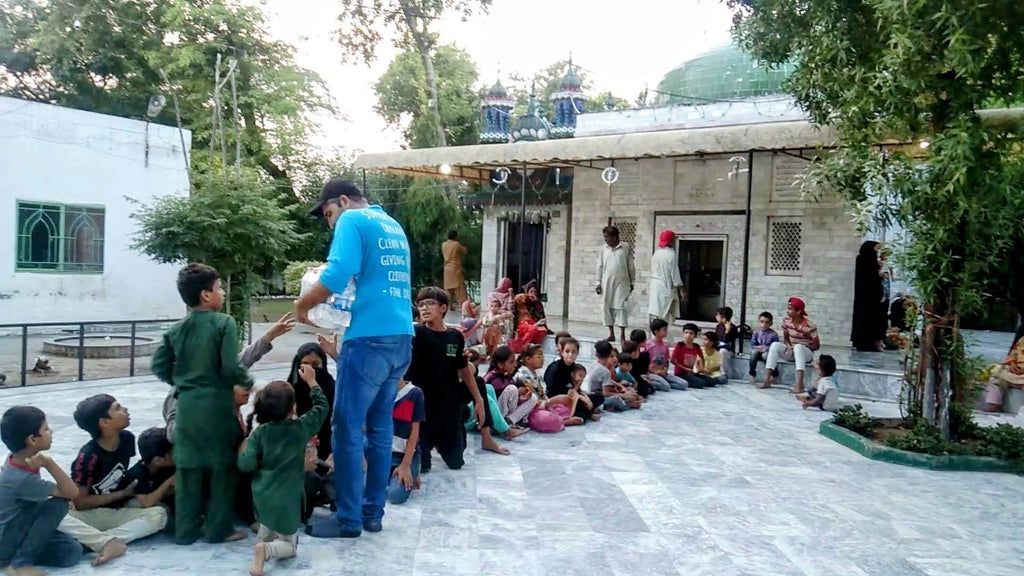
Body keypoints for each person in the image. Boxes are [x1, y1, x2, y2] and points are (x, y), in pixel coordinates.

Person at [296, 178, 414, 539]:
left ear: (344, 201)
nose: (331, 223)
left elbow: (336, 273)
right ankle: (372, 513)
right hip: (401, 339)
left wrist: (303, 305)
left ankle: (348, 519)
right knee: (379, 430)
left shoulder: (352, 221)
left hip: (368, 341)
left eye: (329, 214)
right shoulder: (391, 224)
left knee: (346, 429)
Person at [151, 263, 251, 545]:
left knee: (188, 471)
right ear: (206, 295)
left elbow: (158, 365)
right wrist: (246, 381)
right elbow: (230, 366)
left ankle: (185, 532)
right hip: (217, 406)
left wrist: (184, 381)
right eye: (219, 288)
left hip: (188, 407)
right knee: (222, 470)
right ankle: (219, 530)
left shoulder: (176, 330)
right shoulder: (224, 323)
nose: (222, 293)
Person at [58, 395, 167, 564]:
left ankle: (97, 540)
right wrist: (123, 493)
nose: (125, 409)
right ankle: (104, 541)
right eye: (117, 408)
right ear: (104, 422)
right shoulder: (88, 456)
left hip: (114, 509)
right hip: (90, 514)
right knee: (58, 517)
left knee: (159, 513)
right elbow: (80, 503)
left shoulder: (126, 439)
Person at [238, 375, 329, 576]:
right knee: (290, 546)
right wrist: (313, 382)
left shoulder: (260, 432)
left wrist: (243, 448)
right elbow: (322, 407)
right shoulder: (300, 428)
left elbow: (246, 464)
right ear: (293, 408)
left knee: (268, 525)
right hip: (287, 496)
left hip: (262, 494)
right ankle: (266, 550)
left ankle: (265, 542)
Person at [406, 287, 503, 473]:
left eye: (430, 303)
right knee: (423, 468)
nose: (424, 308)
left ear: (443, 308)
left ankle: (458, 430)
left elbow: (463, 368)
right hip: (423, 407)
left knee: (456, 462)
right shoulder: (416, 334)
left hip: (448, 405)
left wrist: (479, 400)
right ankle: (426, 445)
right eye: (421, 305)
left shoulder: (454, 336)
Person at [0, 406, 83, 574]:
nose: (51, 431)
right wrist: (50, 464)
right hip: (8, 536)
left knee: (72, 551)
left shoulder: (15, 458)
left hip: (15, 528)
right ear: (32, 439)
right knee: (59, 504)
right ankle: (20, 564)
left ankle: (12, 557)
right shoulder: (22, 478)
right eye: (45, 429)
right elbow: (72, 493)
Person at [284, 342, 337, 520]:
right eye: (306, 364)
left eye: (316, 365)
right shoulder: (289, 388)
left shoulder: (330, 384)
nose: (311, 370)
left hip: (327, 444)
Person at [463, 348, 527, 442]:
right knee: (486, 399)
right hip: (465, 417)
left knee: (488, 388)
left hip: (471, 409)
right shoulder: (491, 377)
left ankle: (498, 425)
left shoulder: (506, 376)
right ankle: (506, 431)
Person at [514, 345, 581, 430]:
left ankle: (558, 418)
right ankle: (563, 421)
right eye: (539, 356)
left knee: (564, 409)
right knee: (547, 419)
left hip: (543, 405)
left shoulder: (537, 373)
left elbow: (543, 394)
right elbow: (533, 401)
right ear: (528, 359)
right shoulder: (522, 376)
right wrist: (551, 402)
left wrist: (550, 403)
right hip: (529, 411)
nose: (542, 359)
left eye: (543, 356)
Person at [762, 298, 821, 393]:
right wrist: (789, 347)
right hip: (791, 352)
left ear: (798, 311)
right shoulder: (786, 322)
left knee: (798, 347)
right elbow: (786, 339)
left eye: (790, 309)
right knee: (775, 345)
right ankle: (767, 380)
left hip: (806, 354)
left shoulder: (810, 325)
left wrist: (802, 344)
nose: (787, 311)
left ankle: (800, 385)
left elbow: (817, 346)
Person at [596, 226, 636, 344]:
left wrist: (632, 282)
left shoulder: (625, 248)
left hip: (622, 282)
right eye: (605, 237)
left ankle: (622, 335)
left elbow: (631, 266)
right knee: (606, 306)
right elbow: (599, 266)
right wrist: (598, 282)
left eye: (607, 237)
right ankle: (611, 333)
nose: (606, 239)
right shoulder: (604, 249)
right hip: (607, 282)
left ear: (615, 237)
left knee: (621, 307)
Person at [388, 379, 425, 505]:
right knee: (364, 490)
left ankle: (413, 470)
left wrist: (406, 464)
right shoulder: (380, 391)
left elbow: (414, 433)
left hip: (404, 455)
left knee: (395, 495)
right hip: (382, 456)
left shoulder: (414, 394)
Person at [125, 428, 176, 512]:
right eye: (171, 454)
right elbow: (146, 502)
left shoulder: (164, 468)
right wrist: (169, 482)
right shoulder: (138, 473)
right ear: (158, 460)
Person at [485, 346, 534, 429]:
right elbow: (497, 400)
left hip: (506, 411)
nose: (515, 364)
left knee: (533, 398)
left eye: (515, 361)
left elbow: (510, 401)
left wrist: (521, 398)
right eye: (511, 362)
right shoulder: (492, 377)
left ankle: (510, 420)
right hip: (494, 413)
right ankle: (502, 423)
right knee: (512, 389)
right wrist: (518, 392)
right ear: (500, 365)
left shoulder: (507, 375)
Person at [851, 241, 887, 352]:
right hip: (867, 297)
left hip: (870, 297)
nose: (876, 252)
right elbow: (869, 277)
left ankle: (871, 342)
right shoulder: (864, 259)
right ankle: (866, 344)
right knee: (867, 319)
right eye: (876, 249)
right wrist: (879, 275)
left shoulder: (868, 259)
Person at [584, 341, 638, 411]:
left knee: (628, 391)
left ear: (596, 354)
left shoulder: (595, 364)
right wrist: (623, 395)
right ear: (609, 354)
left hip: (596, 394)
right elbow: (605, 393)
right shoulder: (605, 371)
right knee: (615, 399)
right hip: (598, 397)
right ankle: (628, 405)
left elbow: (609, 381)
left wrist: (620, 387)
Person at [648, 229, 683, 321]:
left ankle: (656, 332)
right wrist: (682, 290)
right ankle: (661, 333)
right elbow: (675, 274)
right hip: (665, 286)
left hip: (655, 286)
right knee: (665, 315)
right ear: (671, 241)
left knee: (657, 313)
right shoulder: (671, 254)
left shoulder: (656, 253)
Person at [982, 335, 1024, 413]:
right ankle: (994, 404)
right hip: (1016, 374)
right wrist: (1012, 364)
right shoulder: (1022, 339)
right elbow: (1012, 356)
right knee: (997, 373)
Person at [646, 319, 688, 391]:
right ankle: (650, 382)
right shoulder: (648, 345)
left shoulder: (665, 345)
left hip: (663, 372)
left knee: (684, 384)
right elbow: (644, 363)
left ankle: (664, 383)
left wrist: (665, 370)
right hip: (651, 373)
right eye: (664, 330)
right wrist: (656, 372)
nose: (667, 332)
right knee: (665, 386)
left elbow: (666, 360)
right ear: (656, 332)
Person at [748, 312, 781, 384]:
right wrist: (758, 348)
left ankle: (773, 374)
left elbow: (775, 346)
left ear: (771, 323)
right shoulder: (756, 332)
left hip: (767, 352)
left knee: (765, 356)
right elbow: (753, 344)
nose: (764, 325)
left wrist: (766, 348)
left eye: (767, 323)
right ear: (758, 322)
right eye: (762, 322)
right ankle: (752, 374)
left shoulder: (773, 334)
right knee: (753, 353)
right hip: (757, 351)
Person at [672, 323, 707, 389]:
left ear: (695, 335)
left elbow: (702, 357)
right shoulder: (680, 345)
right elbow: (672, 360)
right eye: (686, 332)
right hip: (680, 373)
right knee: (701, 383)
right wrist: (685, 368)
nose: (688, 335)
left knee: (710, 381)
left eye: (691, 333)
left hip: (690, 373)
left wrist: (702, 368)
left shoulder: (696, 346)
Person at [441, 230, 469, 306]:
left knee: (448, 288)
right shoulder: (456, 244)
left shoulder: (444, 245)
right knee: (459, 289)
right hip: (455, 268)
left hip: (447, 269)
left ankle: (448, 305)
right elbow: (465, 251)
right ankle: (463, 305)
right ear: (455, 237)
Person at [715, 307, 739, 379]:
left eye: (718, 315)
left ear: (723, 317)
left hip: (728, 349)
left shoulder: (733, 328)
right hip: (718, 347)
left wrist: (727, 331)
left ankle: (723, 373)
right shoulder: (718, 327)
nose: (716, 317)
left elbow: (727, 341)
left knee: (723, 352)